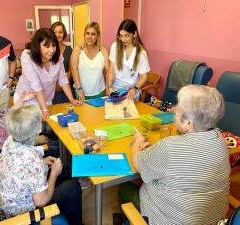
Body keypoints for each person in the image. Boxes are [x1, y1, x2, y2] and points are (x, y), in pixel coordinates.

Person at [118, 85, 230, 224]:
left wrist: (137, 142)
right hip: (213, 220)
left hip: (170, 220)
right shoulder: (220, 140)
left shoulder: (169, 147)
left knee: (124, 189)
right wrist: (158, 152)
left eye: (178, 108)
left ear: (188, 123)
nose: (173, 109)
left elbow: (137, 162)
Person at [0, 105, 82, 225]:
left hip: (9, 200)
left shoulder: (10, 140)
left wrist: (43, 162)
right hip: (22, 214)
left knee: (65, 172)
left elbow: (23, 167)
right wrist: (53, 174)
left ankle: (66, 210)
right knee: (72, 187)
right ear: (37, 130)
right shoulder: (32, 161)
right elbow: (41, 201)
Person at [14, 28, 80, 120]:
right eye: (47, 46)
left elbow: (63, 79)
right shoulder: (27, 56)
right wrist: (44, 109)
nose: (52, 50)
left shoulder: (57, 56)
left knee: (47, 126)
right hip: (26, 100)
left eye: (53, 45)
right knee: (30, 130)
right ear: (38, 45)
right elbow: (35, 84)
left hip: (46, 99)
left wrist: (72, 100)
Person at [107, 19, 150, 99]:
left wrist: (135, 89)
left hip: (131, 93)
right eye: (121, 36)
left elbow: (144, 76)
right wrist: (109, 86)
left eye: (126, 35)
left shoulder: (141, 53)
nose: (123, 39)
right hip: (115, 91)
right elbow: (111, 70)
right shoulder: (115, 46)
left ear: (134, 34)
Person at [71, 22, 109, 102]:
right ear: (84, 35)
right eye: (87, 33)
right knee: (82, 114)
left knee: (98, 114)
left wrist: (108, 87)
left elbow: (108, 70)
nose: (89, 37)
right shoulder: (78, 49)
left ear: (97, 36)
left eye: (93, 34)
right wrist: (79, 89)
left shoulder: (103, 50)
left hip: (99, 91)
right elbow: (74, 69)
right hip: (81, 92)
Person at [51, 21, 74, 104]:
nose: (57, 34)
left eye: (60, 32)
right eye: (55, 32)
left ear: (64, 34)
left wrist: (62, 84)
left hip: (67, 87)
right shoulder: (48, 51)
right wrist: (54, 86)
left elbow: (71, 69)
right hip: (52, 89)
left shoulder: (69, 49)